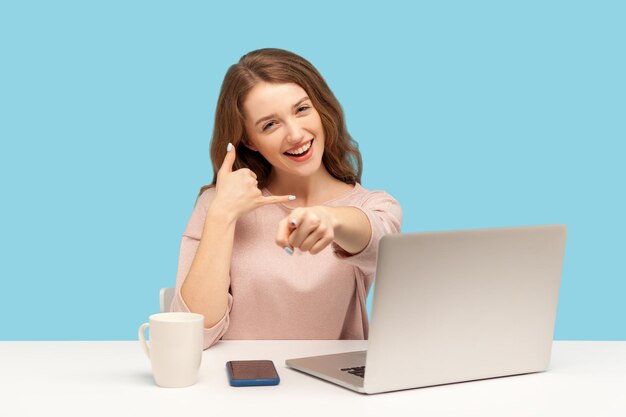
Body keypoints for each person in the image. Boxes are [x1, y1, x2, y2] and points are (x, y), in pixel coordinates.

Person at [170, 48, 402, 349]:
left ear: (321, 108)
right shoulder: (218, 205)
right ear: (249, 140)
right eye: (270, 124)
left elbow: (377, 240)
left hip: (332, 391)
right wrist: (222, 213)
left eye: (302, 109)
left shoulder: (374, 205)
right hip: (237, 387)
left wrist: (329, 219)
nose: (295, 134)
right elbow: (191, 337)